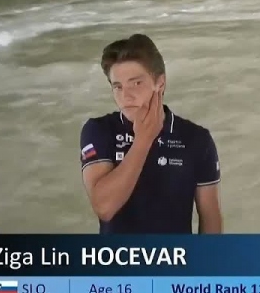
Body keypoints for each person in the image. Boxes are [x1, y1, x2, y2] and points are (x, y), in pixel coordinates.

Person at [79, 34, 223, 234]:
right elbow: (104, 208)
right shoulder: (99, 130)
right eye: (118, 86)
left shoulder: (196, 139)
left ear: (160, 83)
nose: (126, 96)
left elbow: (211, 219)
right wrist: (143, 140)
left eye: (136, 83)